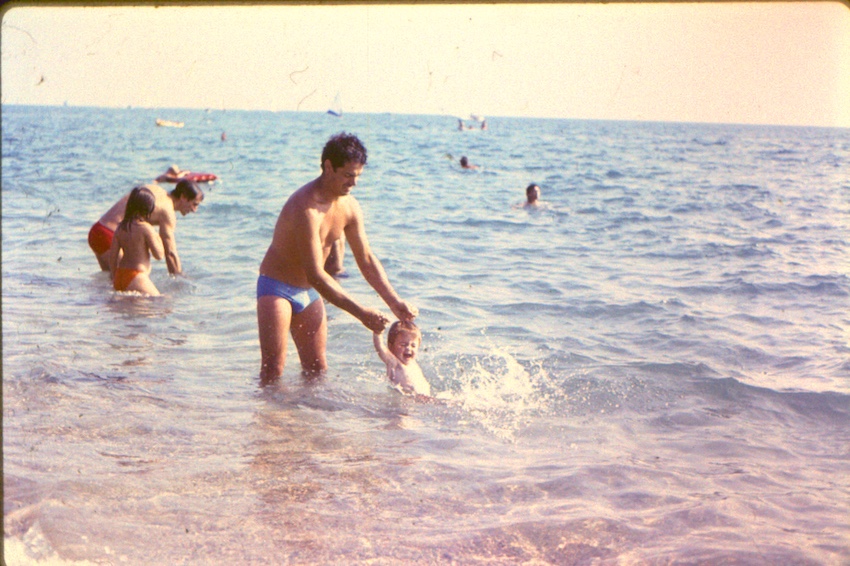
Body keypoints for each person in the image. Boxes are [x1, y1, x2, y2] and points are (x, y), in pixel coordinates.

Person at [257, 132, 418, 380]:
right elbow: (316, 274)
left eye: (358, 176)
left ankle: (306, 409)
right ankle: (264, 408)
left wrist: (394, 301)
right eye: (348, 175)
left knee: (317, 370)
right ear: (329, 167)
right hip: (277, 288)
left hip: (309, 292)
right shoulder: (306, 208)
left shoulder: (349, 206)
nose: (354, 183)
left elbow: (366, 259)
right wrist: (361, 313)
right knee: (273, 370)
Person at [88, 179, 204, 274]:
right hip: (110, 236)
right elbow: (170, 253)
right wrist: (180, 280)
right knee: (127, 282)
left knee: (111, 282)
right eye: (194, 204)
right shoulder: (168, 212)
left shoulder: (156, 190)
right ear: (183, 197)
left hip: (97, 230)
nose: (194, 210)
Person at [106, 186, 165, 296]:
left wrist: (115, 277)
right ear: (148, 208)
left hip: (120, 275)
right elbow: (159, 255)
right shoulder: (146, 228)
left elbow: (112, 257)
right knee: (160, 300)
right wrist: (158, 236)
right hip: (136, 276)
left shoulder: (120, 228)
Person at [373, 320, 431, 396]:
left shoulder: (413, 363)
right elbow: (380, 348)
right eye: (403, 345)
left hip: (421, 399)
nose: (408, 348)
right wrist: (377, 332)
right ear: (391, 346)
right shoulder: (394, 363)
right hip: (403, 401)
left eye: (413, 345)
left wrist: (406, 316)